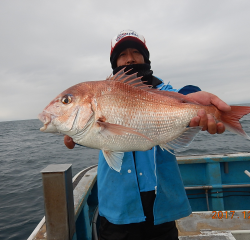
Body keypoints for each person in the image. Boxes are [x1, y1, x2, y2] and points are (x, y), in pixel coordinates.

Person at [64, 30, 231, 240]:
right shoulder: (104, 94)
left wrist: (197, 101)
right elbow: (94, 130)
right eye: (122, 55)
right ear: (114, 62)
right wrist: (75, 133)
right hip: (118, 207)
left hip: (161, 204)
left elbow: (183, 95)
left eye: (136, 52)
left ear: (146, 57)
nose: (130, 58)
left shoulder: (162, 91)